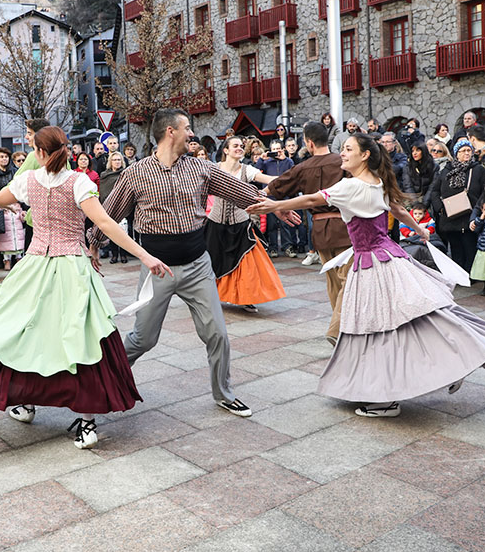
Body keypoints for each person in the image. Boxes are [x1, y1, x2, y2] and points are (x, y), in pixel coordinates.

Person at [0, 126, 171, 449]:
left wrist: (146, 257)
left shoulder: (60, 182)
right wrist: (146, 256)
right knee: (63, 338)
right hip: (61, 268)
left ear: (41, 153)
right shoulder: (63, 182)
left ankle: (56, 410)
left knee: (31, 335)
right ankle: (70, 416)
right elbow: (103, 224)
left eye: (35, 148)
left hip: (49, 268)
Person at [248, 133, 485, 418]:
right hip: (390, 258)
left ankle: (387, 398)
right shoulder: (377, 182)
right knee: (417, 317)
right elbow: (396, 209)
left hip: (373, 264)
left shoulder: (350, 187)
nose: (343, 154)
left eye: (348, 149)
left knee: (378, 330)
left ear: (365, 156)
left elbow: (312, 199)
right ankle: (448, 365)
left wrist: (274, 205)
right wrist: (419, 229)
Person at [89, 109, 260, 417]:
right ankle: (98, 381)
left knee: (217, 333)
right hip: (157, 269)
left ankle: (223, 393)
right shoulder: (135, 174)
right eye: (187, 128)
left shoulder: (200, 168)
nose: (191, 134)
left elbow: (241, 191)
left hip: (198, 266)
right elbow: (107, 215)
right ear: (170, 132)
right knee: (143, 339)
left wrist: (275, 207)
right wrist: (93, 246)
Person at [267, 121, 352, 344]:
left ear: (309, 142)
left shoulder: (303, 167)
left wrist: (264, 198)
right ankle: (337, 329)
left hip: (319, 230)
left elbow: (276, 187)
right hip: (344, 227)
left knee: (334, 282)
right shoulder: (342, 162)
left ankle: (340, 328)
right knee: (348, 281)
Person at [207, 136, 285, 313]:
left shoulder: (247, 170)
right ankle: (210, 296)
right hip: (215, 224)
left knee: (247, 264)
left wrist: (291, 176)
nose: (239, 148)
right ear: (225, 150)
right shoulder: (214, 169)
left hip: (241, 223)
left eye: (241, 146)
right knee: (213, 262)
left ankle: (246, 297)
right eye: (235, 146)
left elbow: (269, 179)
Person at [429, 139, 485, 273]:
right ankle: (458, 273)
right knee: (455, 248)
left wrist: (478, 208)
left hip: (469, 215)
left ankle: (470, 274)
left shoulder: (478, 169)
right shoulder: (446, 170)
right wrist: (440, 208)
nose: (467, 153)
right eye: (463, 151)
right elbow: (435, 191)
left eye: (469, 150)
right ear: (456, 153)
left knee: (470, 246)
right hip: (450, 217)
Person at [99, 151, 130, 263]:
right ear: (110, 162)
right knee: (112, 231)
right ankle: (114, 255)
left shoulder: (126, 174)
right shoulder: (104, 175)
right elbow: (103, 192)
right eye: (114, 160)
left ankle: (123, 254)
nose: (117, 162)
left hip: (123, 207)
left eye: (118, 160)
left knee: (124, 231)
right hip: (109, 208)